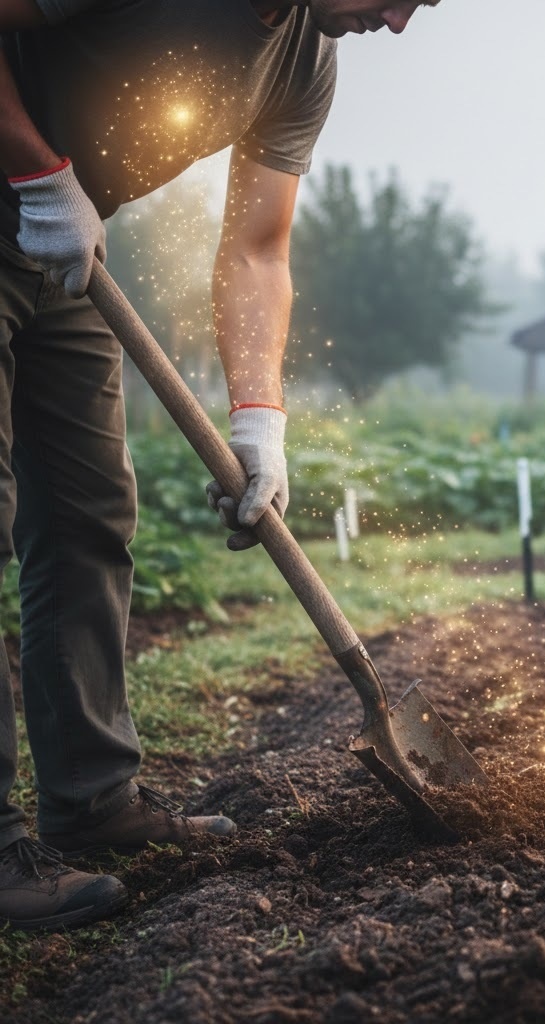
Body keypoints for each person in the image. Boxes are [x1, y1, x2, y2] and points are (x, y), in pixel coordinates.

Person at [0, 0, 436, 933]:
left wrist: (260, 424)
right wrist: (35, 171)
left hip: (67, 242)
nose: (400, 24)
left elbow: (256, 245)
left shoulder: (304, 64)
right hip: (37, 193)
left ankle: (91, 799)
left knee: (88, 518)